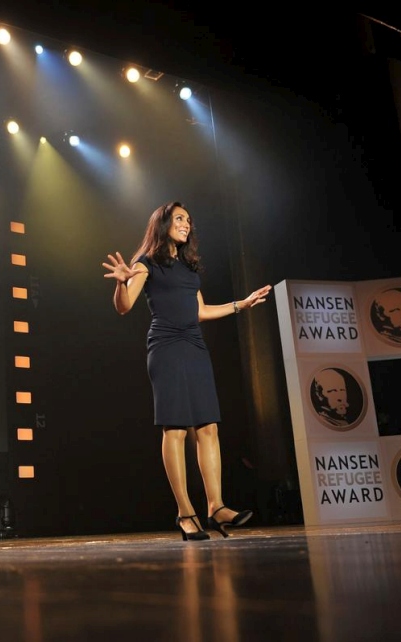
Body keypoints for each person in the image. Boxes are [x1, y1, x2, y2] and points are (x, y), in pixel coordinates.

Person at [102, 201, 272, 541]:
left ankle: (216, 506)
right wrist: (121, 283)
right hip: (165, 347)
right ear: (163, 224)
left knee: (208, 426)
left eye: (189, 221)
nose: (186, 224)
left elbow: (201, 312)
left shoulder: (190, 269)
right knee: (176, 429)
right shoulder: (145, 264)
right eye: (179, 219)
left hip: (194, 346)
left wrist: (243, 303)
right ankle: (184, 511)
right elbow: (124, 307)